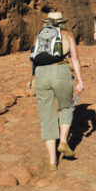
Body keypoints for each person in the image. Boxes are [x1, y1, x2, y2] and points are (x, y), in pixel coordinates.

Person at [28, 9, 83, 170]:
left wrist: (31, 79)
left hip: (41, 74)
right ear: (61, 23)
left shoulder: (38, 36)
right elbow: (74, 57)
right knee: (66, 106)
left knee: (47, 117)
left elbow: (33, 59)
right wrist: (80, 79)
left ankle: (52, 162)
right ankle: (64, 141)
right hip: (61, 71)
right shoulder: (67, 34)